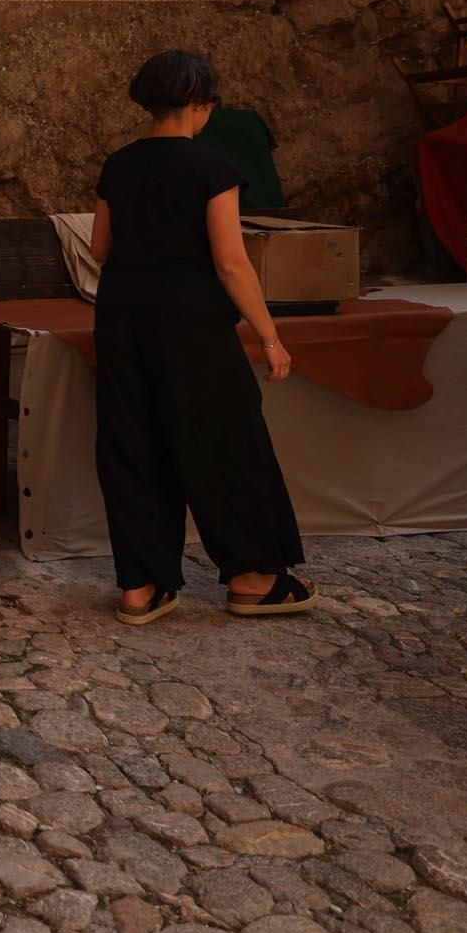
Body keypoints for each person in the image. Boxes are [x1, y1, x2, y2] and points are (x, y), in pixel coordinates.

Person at [88, 51, 317, 625]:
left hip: (122, 320)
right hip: (191, 325)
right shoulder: (212, 168)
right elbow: (232, 264)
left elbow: (98, 250)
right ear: (200, 105)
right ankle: (253, 578)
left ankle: (141, 588)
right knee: (225, 443)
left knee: (133, 444)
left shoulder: (118, 165)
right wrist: (270, 337)